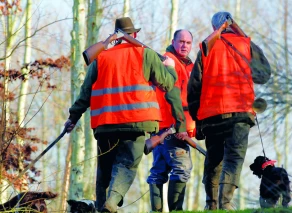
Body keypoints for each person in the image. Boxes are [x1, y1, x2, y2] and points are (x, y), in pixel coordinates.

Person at [65, 17, 180, 213]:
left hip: (105, 124)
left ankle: (103, 206)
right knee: (126, 165)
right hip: (136, 123)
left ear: (116, 36)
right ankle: (110, 205)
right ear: (134, 35)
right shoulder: (146, 54)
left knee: (105, 171)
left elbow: (85, 93)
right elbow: (167, 83)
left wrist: (73, 118)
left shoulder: (101, 57)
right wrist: (170, 67)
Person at [187, 11, 271, 210]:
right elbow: (263, 74)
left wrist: (196, 118)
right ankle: (226, 203)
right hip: (240, 113)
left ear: (214, 27)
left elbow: (194, 87)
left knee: (213, 160)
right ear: (231, 24)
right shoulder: (245, 45)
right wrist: (247, 42)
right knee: (233, 158)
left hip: (211, 115)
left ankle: (211, 204)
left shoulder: (206, 47)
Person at [146, 29, 195, 212]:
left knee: (159, 170)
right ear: (173, 42)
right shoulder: (168, 62)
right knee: (182, 168)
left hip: (165, 125)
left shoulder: (186, 65)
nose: (184, 45)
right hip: (171, 125)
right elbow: (174, 97)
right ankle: (176, 210)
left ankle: (156, 210)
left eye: (188, 43)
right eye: (181, 41)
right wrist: (181, 125)